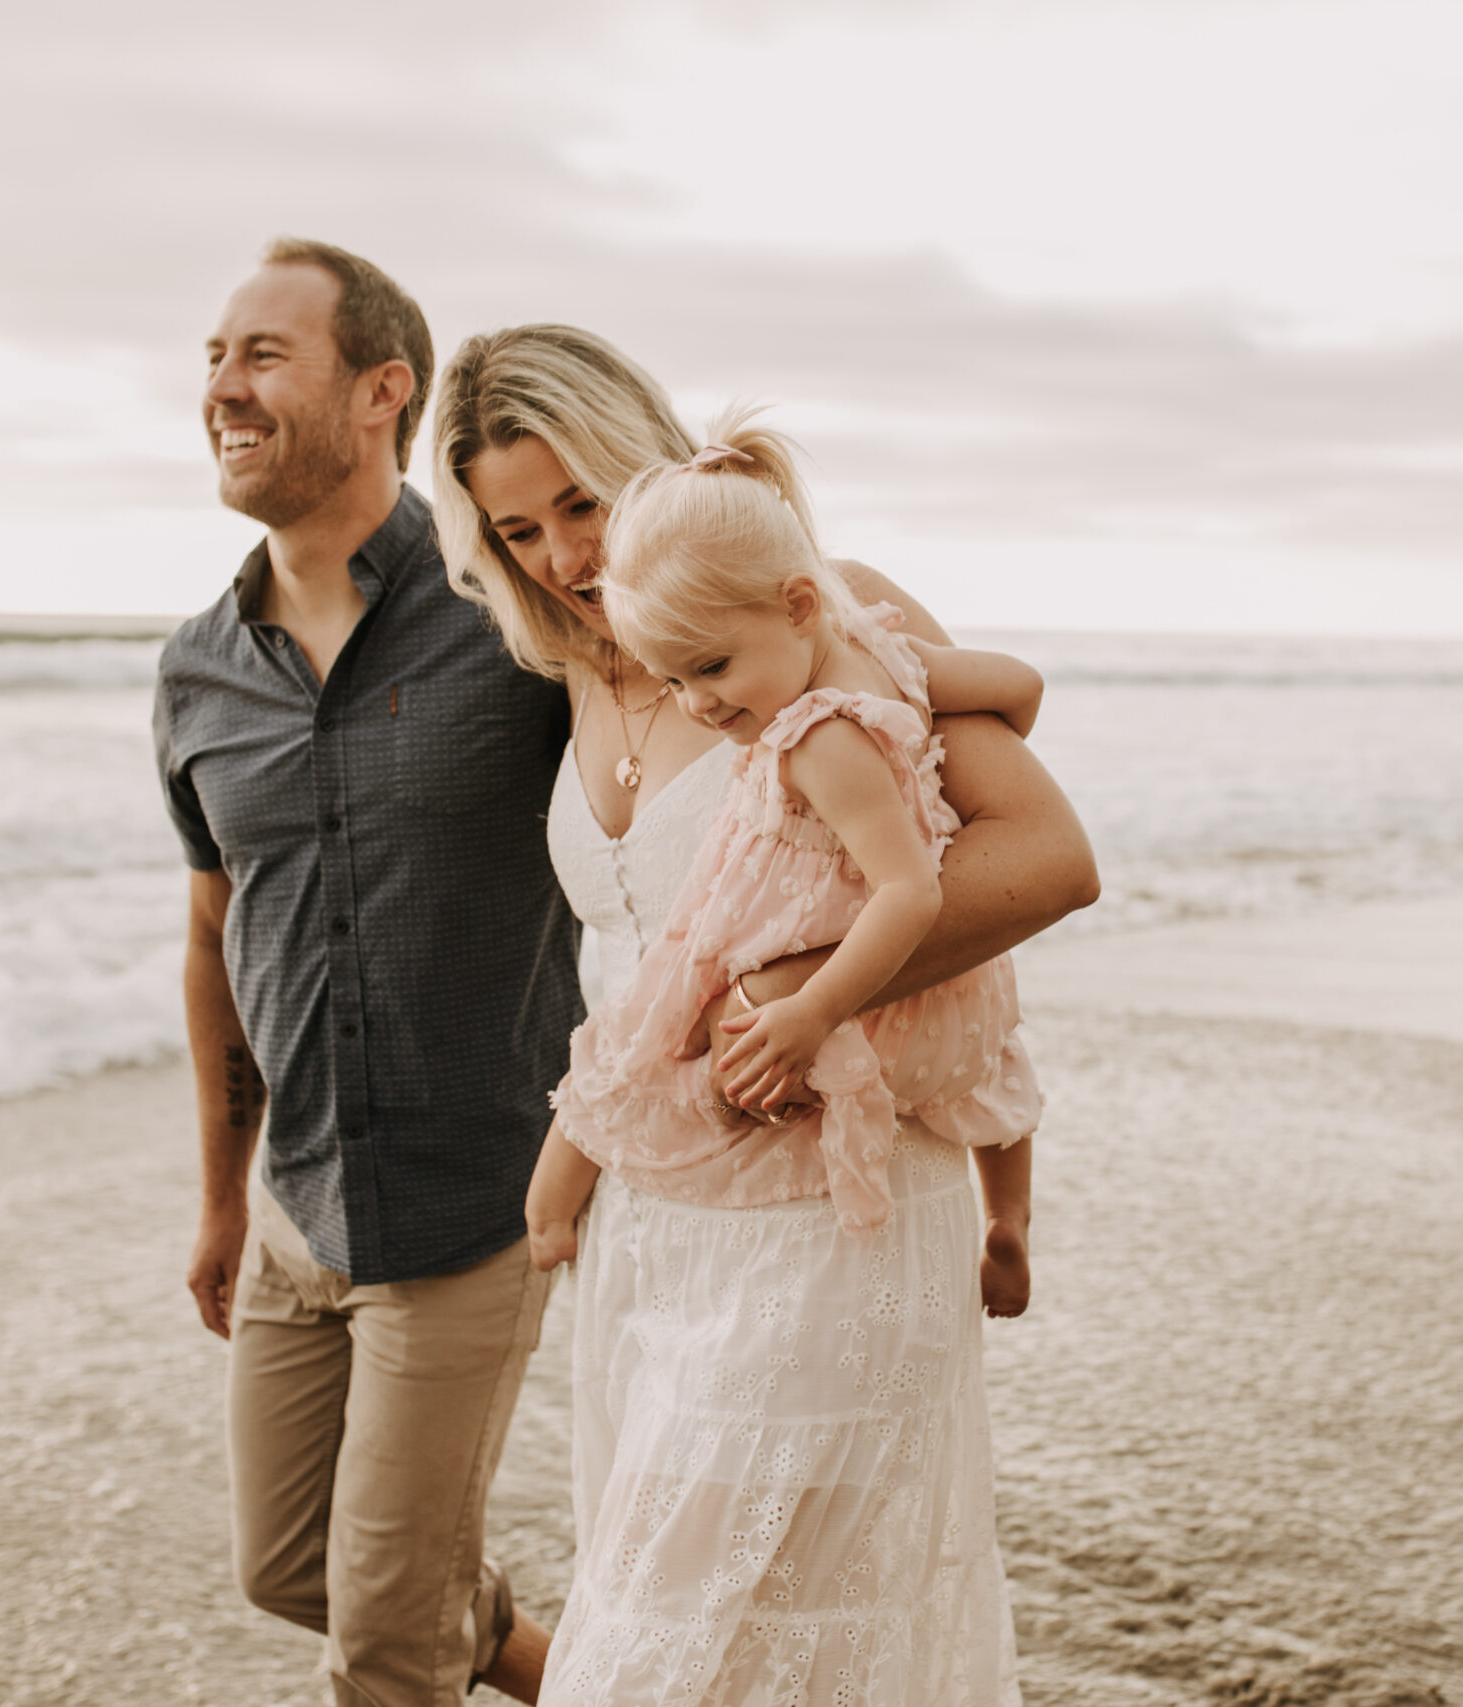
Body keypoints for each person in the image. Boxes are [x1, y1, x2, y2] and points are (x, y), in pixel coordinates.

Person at [431, 325, 1100, 1703]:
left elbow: (1045, 853)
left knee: (674, 1650)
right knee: (712, 1632)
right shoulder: (573, 675)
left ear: (649, 458)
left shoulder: (827, 612)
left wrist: (806, 989)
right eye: (518, 529)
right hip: (659, 1224)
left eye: (581, 500)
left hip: (829, 1202)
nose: (563, 553)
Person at [153, 240, 571, 1705]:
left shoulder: (514, 614)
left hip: (476, 1207)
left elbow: (685, 778)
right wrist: (221, 1193)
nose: (222, 385)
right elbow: (218, 934)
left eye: (263, 353)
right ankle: (605, 1674)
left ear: (385, 388)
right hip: (297, 1212)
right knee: (290, 1564)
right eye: (214, 355)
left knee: (385, 1643)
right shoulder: (199, 667)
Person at [526, 412, 1044, 1277]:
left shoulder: (817, 737)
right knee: (989, 1050)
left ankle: (547, 1217)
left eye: (714, 667)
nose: (696, 703)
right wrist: (931, 760)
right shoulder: (885, 650)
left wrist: (812, 1009)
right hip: (916, 956)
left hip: (820, 930)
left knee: (654, 1032)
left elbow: (910, 893)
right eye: (674, 678)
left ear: (798, 604)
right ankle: (1010, 1218)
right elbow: (1020, 687)